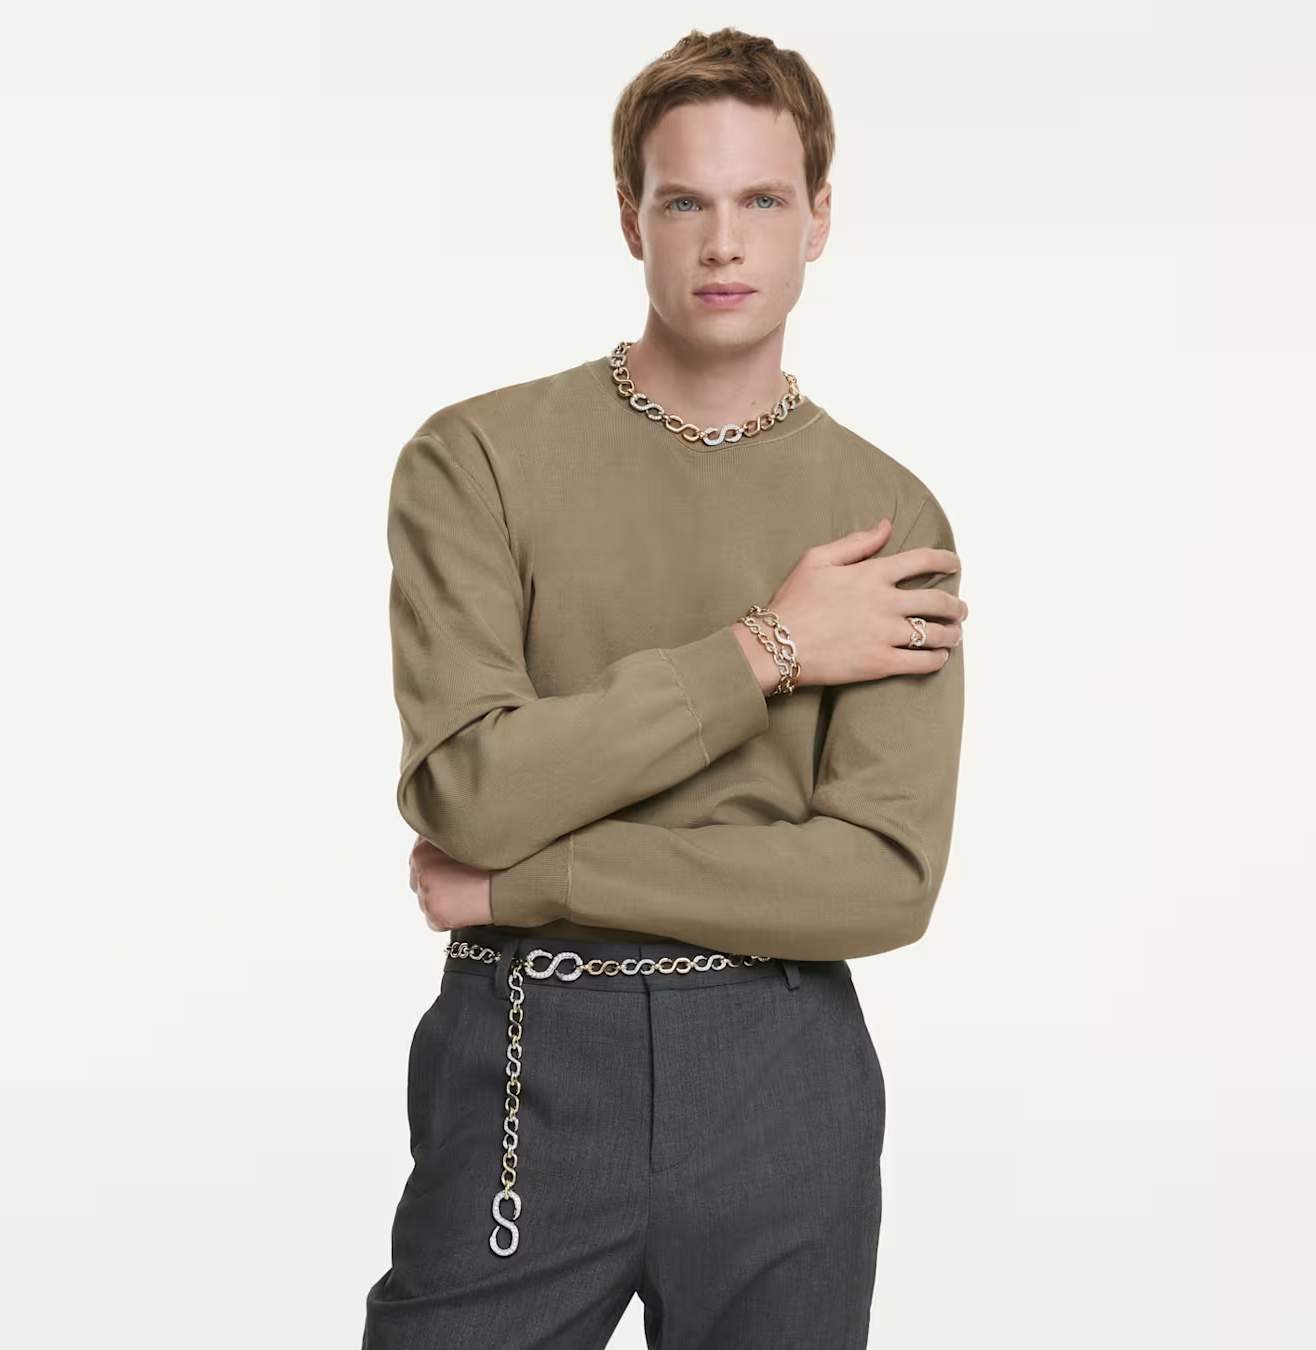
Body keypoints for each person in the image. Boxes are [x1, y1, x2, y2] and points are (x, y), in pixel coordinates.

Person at [361, 25, 968, 1349]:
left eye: (763, 201)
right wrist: (769, 647)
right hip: (527, 1048)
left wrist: (533, 881)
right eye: (685, 201)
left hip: (779, 1072)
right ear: (629, 216)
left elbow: (881, 882)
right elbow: (470, 791)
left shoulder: (885, 516)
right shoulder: (476, 460)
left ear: (819, 217)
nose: (723, 244)